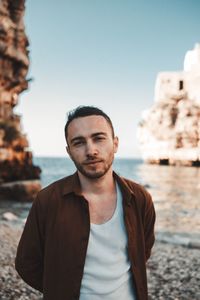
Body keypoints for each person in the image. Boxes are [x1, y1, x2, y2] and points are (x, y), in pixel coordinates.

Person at [15, 106, 156, 300]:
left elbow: (143, 250)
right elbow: (27, 263)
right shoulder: (48, 200)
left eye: (99, 138)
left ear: (115, 144)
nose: (91, 151)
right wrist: (60, 289)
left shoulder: (139, 197)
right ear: (69, 151)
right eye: (79, 142)